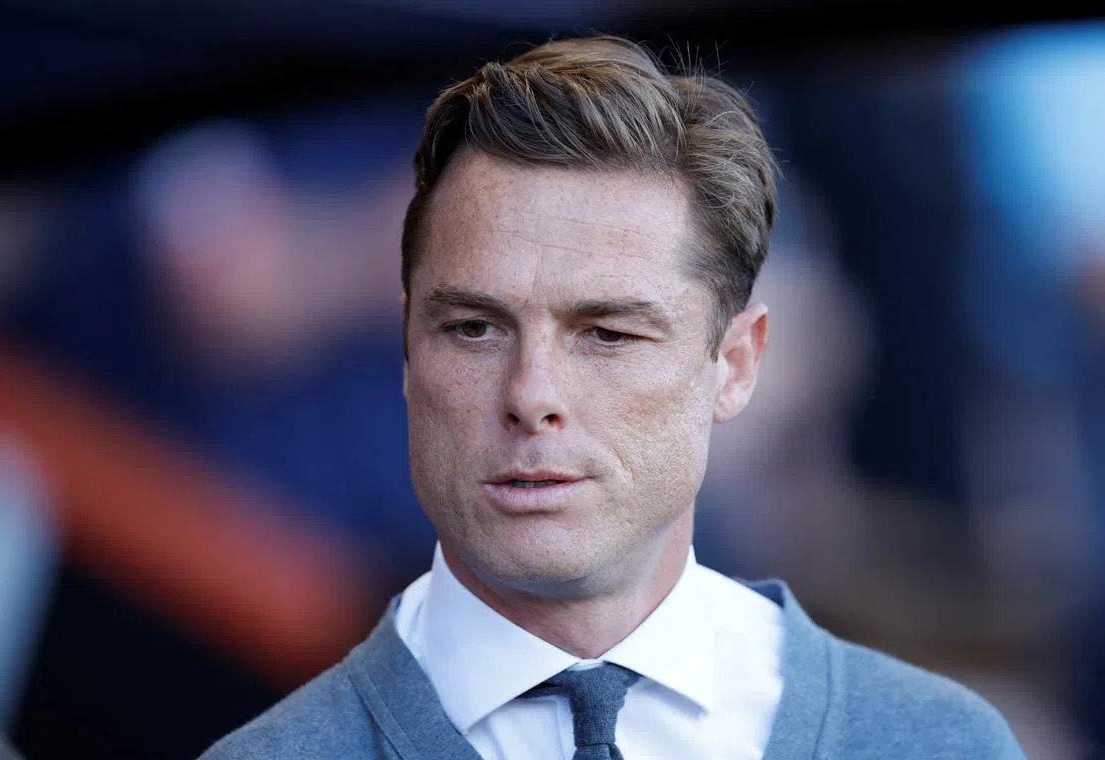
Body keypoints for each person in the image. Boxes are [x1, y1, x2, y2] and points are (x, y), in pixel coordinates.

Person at [200, 34, 1025, 760]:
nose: (533, 394)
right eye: (475, 329)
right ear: (410, 348)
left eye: (607, 334)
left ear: (738, 363)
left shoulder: (939, 742)